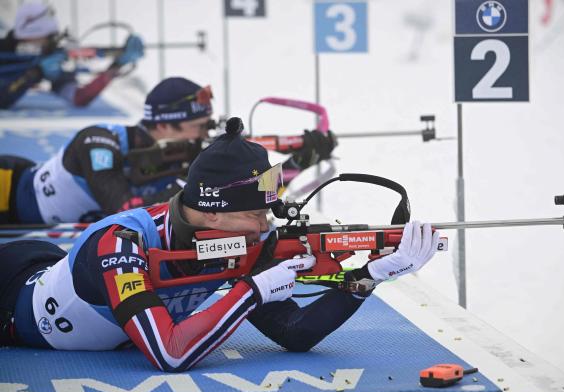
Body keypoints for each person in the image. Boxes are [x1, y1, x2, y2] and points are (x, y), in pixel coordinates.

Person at [0, 118, 439, 372]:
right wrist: (251, 291)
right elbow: (169, 353)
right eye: (253, 214)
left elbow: (295, 332)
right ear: (211, 212)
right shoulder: (122, 243)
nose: (263, 227)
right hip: (10, 293)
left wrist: (367, 277)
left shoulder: (238, 238)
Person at [0, 76, 336, 225]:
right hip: (9, 191)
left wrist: (298, 161)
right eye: (201, 127)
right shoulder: (98, 140)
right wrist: (185, 189)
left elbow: (247, 198)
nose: (208, 134)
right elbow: (123, 210)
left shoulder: (183, 158)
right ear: (164, 126)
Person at [0, 3, 144, 109]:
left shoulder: (50, 59)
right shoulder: (7, 56)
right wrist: (34, 74)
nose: (46, 46)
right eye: (43, 39)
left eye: (51, 39)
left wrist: (116, 66)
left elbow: (79, 98)